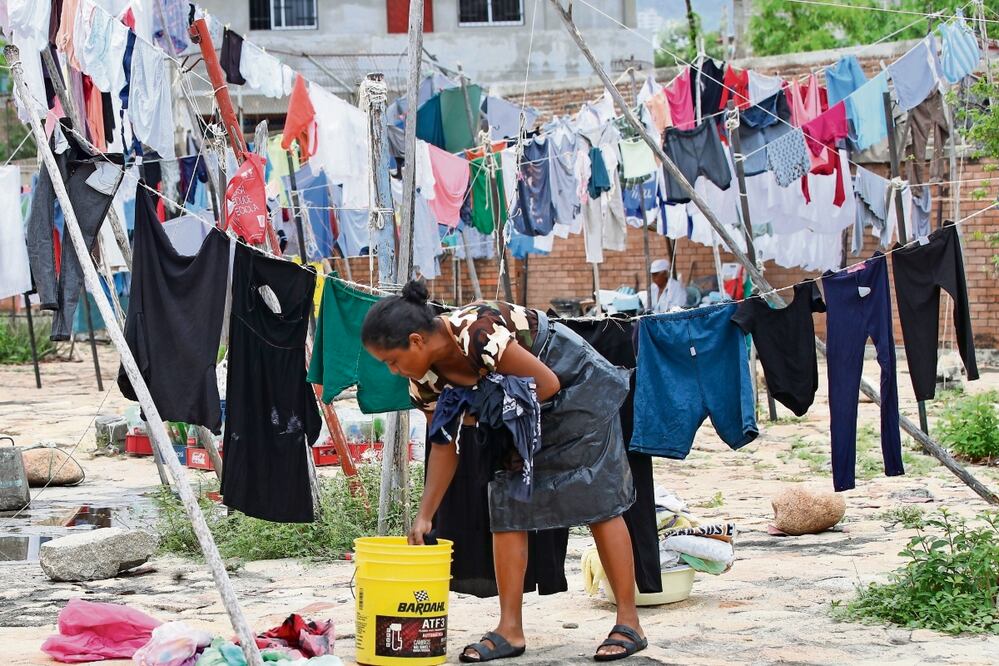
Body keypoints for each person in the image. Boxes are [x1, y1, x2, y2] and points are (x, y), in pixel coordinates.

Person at [362, 281, 647, 663]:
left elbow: (546, 384)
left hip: (571, 386)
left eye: (391, 361)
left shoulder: (478, 333)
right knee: (508, 503)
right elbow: (444, 444)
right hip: (517, 412)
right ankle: (509, 628)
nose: (394, 371)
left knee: (597, 498)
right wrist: (425, 514)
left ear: (416, 341)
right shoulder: (424, 380)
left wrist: (479, 407)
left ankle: (629, 623)